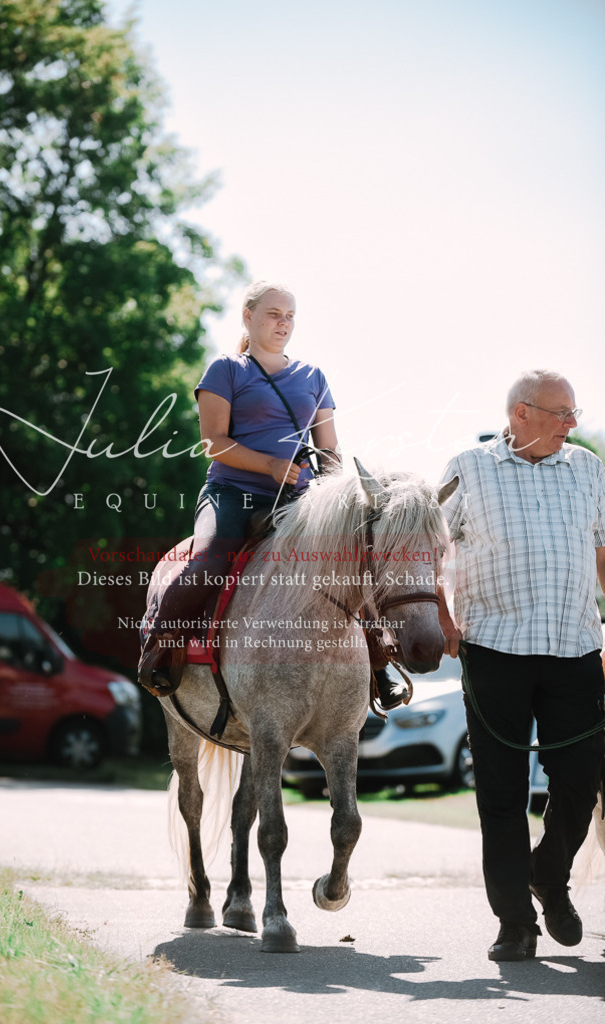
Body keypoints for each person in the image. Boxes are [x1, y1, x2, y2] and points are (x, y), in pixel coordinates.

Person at [138, 280, 409, 709]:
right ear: (248, 316)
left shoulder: (313, 376)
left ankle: (378, 668)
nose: (283, 323)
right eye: (273, 314)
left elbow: (330, 449)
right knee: (212, 557)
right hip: (231, 492)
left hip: (297, 501)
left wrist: (337, 498)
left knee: (351, 559)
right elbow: (213, 442)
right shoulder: (226, 369)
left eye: (290, 316)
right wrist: (269, 465)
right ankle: (159, 647)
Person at [438, 369, 605, 962]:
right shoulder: (468, 467)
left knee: (582, 784)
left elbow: (602, 548)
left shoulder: (587, 467)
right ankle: (515, 922)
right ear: (521, 414)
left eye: (574, 412)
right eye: (561, 413)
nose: (572, 423)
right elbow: (430, 548)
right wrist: (445, 620)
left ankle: (547, 875)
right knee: (502, 796)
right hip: (494, 652)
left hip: (576, 650)